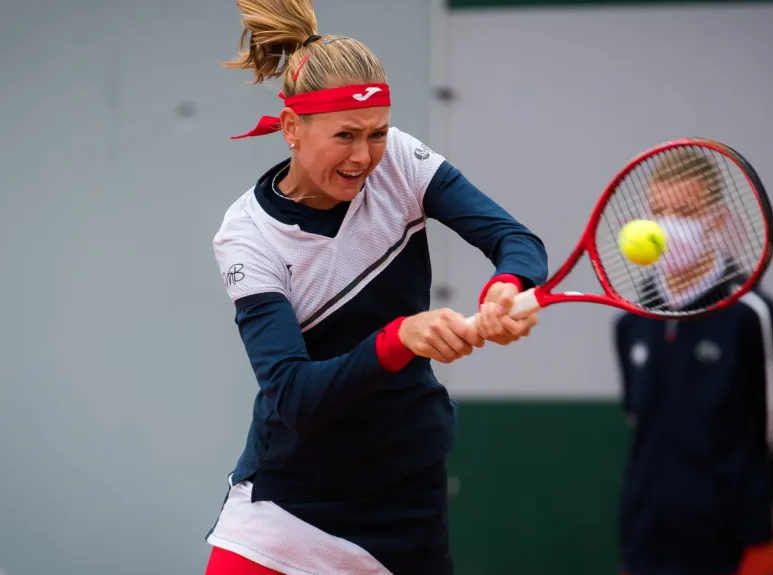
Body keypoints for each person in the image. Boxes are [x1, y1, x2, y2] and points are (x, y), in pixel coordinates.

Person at [203, 2, 549, 574]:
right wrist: (402, 337)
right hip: (289, 507)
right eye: (345, 135)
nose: (364, 156)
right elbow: (293, 397)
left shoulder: (402, 164)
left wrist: (507, 288)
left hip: (406, 497)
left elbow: (514, 239)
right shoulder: (248, 236)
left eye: (377, 133)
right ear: (291, 128)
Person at [612, 149, 773, 575]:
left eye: (684, 212)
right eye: (657, 211)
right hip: (646, 543)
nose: (666, 226)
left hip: (736, 546)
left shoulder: (756, 318)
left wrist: (756, 501)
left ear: (717, 222)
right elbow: (640, 421)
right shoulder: (630, 322)